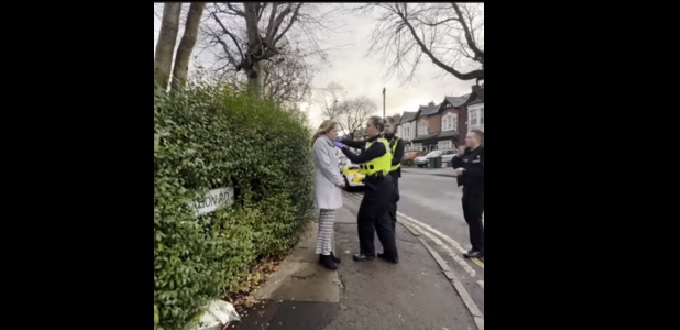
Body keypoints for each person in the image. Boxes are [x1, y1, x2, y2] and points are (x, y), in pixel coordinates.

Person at [333, 118, 398, 263]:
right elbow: (356, 143)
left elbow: (358, 159)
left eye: (368, 125)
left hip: (379, 184)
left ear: (377, 128)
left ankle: (368, 253)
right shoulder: (372, 142)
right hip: (378, 183)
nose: (366, 127)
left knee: (365, 218)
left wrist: (341, 148)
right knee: (381, 219)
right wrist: (342, 140)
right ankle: (390, 254)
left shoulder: (379, 146)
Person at [311, 120, 345, 270]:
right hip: (327, 187)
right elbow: (326, 167)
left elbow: (334, 165)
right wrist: (340, 181)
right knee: (326, 225)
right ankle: (325, 256)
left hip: (330, 187)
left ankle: (325, 252)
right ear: (326, 130)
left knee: (327, 224)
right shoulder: (320, 143)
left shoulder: (327, 143)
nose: (336, 134)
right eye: (335, 131)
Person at [451, 129, 485, 258]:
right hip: (467, 189)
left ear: (476, 139)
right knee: (469, 218)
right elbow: (455, 165)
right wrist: (458, 156)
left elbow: (481, 172)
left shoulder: (482, 152)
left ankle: (479, 248)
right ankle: (477, 246)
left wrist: (466, 172)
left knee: (475, 219)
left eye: (468, 137)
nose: (465, 139)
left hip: (479, 190)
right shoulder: (466, 152)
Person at [383, 122, 405, 232]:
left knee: (391, 204)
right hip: (381, 174)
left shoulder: (398, 141)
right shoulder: (381, 139)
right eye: (385, 126)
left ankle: (391, 231)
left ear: (394, 127)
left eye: (388, 126)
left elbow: (397, 159)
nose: (386, 128)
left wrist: (382, 163)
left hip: (392, 175)